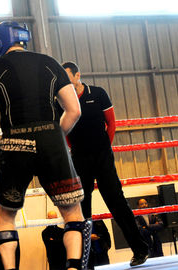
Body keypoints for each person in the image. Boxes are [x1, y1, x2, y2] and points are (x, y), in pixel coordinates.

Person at [0, 21, 92, 270]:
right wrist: (53, 138)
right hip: (52, 142)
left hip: (14, 143)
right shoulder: (51, 63)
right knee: (73, 215)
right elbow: (74, 110)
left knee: (5, 217)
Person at [58, 61, 148, 267]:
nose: (64, 80)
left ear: (77, 75)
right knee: (82, 208)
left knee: (117, 203)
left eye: (67, 75)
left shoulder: (98, 93)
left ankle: (141, 250)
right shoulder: (61, 101)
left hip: (102, 156)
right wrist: (74, 150)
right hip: (79, 158)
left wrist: (105, 147)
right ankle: (84, 261)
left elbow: (112, 122)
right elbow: (65, 130)